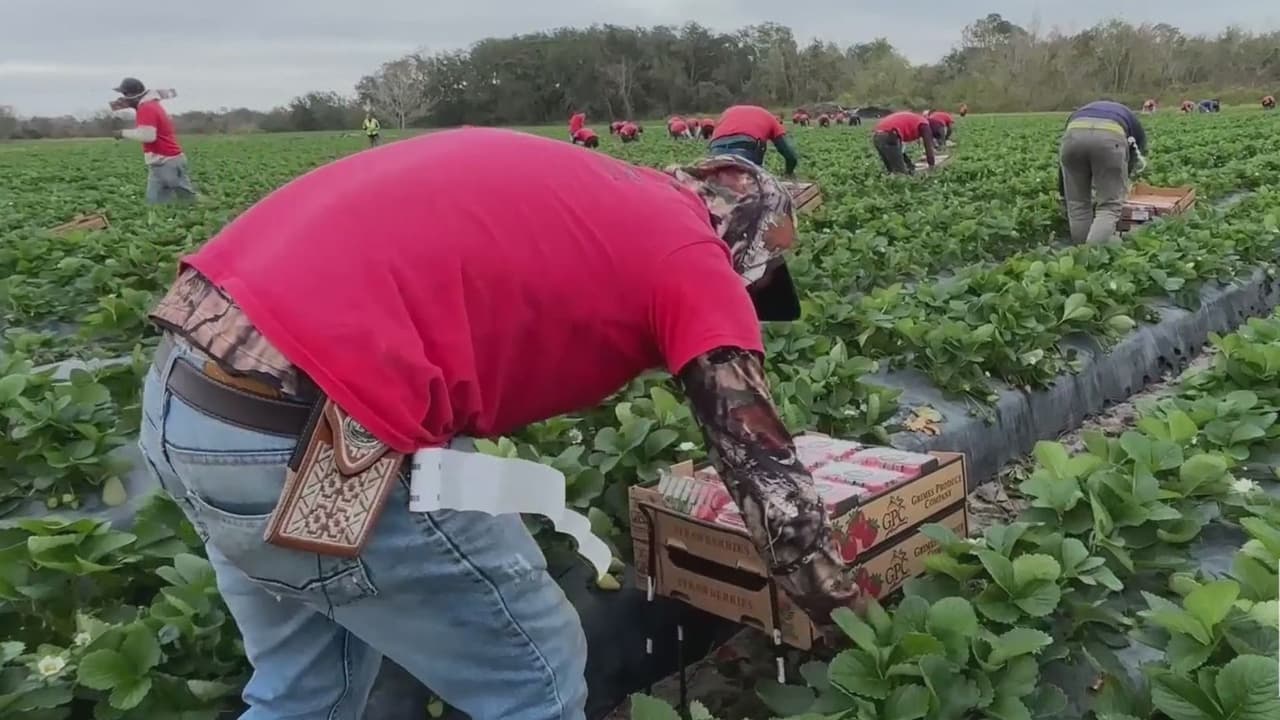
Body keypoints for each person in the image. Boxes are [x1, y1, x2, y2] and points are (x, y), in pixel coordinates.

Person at [137, 128, 860, 720]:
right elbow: (765, 474)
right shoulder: (692, 259)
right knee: (534, 681)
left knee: (308, 690)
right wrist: (842, 616)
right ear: (743, 245)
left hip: (189, 394)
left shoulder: (607, 194)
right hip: (316, 429)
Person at [1059, 100, 1148, 245]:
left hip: (1073, 138)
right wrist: (1123, 181)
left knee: (1077, 204)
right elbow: (1134, 156)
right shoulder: (1130, 116)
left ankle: (1080, 256)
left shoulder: (1079, 112)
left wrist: (1063, 192)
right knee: (1109, 206)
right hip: (1110, 140)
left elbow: (1064, 166)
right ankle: (1093, 256)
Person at [111, 77, 197, 205]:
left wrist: (122, 133)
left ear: (132, 95)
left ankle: (209, 214)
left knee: (187, 199)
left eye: (124, 94)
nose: (123, 98)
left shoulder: (146, 108)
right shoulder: (149, 105)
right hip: (160, 163)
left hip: (167, 161)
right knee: (154, 203)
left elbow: (148, 136)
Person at [708, 104, 800, 176]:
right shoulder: (771, 119)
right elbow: (790, 156)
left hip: (716, 148)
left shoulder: (727, 112)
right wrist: (789, 173)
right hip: (745, 148)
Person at [871, 111, 939, 175]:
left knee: (891, 169)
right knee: (900, 173)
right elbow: (928, 147)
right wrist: (931, 166)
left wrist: (909, 164)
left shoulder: (915, 120)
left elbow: (900, 151)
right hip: (889, 135)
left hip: (877, 136)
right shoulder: (924, 125)